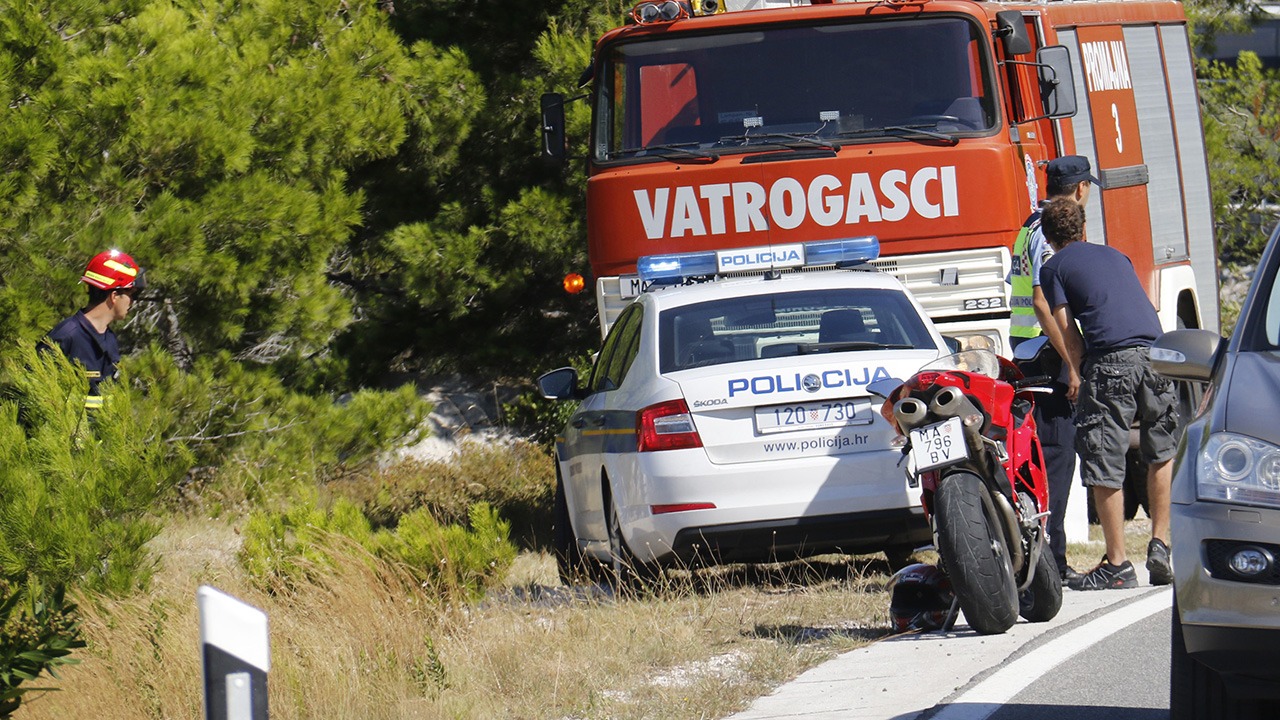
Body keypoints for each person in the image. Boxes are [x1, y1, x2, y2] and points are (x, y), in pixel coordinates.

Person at [1038, 199, 1177, 590]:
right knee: (1160, 450)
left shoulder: (1053, 268)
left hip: (1111, 360)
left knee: (1104, 460)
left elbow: (1067, 330)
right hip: (1156, 354)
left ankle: (1117, 564)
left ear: (1048, 238)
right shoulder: (1117, 256)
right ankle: (1160, 544)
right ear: (1082, 228)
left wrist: (1078, 371)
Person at [1007, 155, 1102, 587]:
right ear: (1080, 189)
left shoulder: (1028, 225)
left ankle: (1045, 559)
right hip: (1047, 354)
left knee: (1042, 457)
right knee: (1057, 459)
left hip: (1028, 350)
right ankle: (1052, 563)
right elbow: (1043, 303)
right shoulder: (1049, 235)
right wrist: (1073, 363)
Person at [44, 250, 146, 410]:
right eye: (131, 294)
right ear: (114, 296)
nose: (133, 302)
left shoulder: (109, 338)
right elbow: (31, 395)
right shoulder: (65, 336)